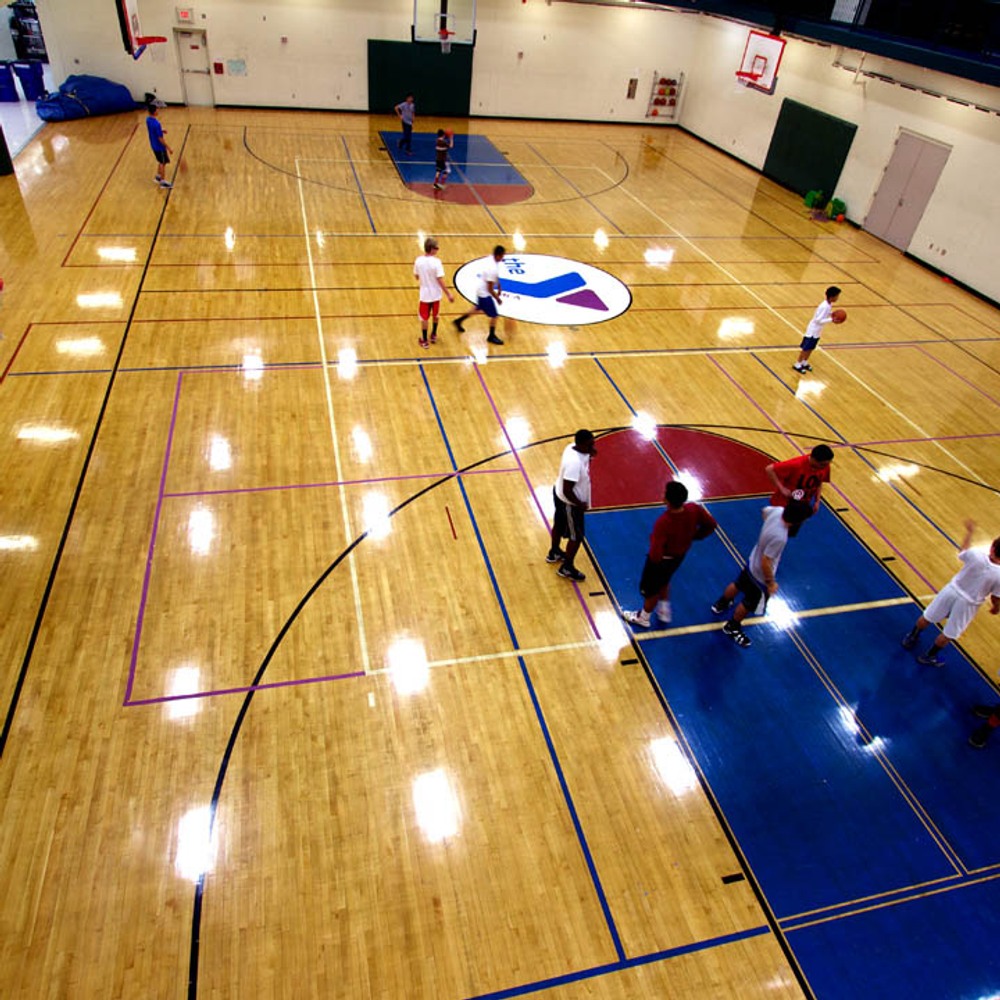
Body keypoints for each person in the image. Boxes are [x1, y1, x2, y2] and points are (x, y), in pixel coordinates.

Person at [711, 500, 812, 648]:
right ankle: (732, 627)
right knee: (748, 604)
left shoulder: (777, 510)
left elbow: (764, 511)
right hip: (759, 576)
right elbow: (766, 561)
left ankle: (721, 604)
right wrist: (770, 582)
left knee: (738, 584)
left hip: (752, 561)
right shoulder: (780, 537)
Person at [901, 520, 1000, 667]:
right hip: (968, 603)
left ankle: (911, 637)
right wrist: (996, 608)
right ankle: (929, 656)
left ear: (992, 547)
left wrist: (969, 533)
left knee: (928, 616)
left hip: (951, 590)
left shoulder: (976, 554)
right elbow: (995, 596)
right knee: (950, 632)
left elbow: (962, 552)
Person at [622, 481, 717, 628]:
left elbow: (655, 552)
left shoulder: (664, 522)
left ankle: (644, 617)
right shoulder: (694, 509)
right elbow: (711, 524)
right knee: (665, 579)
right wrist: (696, 536)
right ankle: (664, 610)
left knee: (651, 589)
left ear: (666, 499)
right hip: (679, 556)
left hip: (662, 560)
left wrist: (655, 563)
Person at [547, 429, 596, 583]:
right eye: (589, 444)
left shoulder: (571, 447)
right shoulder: (574, 463)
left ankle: (554, 552)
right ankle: (567, 567)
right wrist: (579, 504)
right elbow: (569, 489)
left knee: (559, 525)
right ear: (581, 444)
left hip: (559, 492)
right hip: (569, 503)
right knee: (577, 536)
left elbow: (586, 455)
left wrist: (590, 452)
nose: (592, 446)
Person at [764, 444, 834, 536]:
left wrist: (817, 501)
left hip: (801, 505)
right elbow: (769, 469)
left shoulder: (824, 466)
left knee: (789, 533)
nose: (825, 466)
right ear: (813, 459)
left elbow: (819, 482)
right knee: (775, 532)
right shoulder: (796, 464)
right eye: (822, 464)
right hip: (784, 504)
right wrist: (782, 488)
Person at [453, 245, 505, 346]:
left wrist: (499, 286)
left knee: (477, 309)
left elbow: (495, 277)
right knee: (494, 315)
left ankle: (459, 321)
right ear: (498, 255)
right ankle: (491, 336)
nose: (503, 258)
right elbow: (490, 289)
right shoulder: (492, 268)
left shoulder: (492, 260)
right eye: (502, 256)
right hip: (484, 294)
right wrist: (497, 298)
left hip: (480, 289)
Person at [413, 237, 454, 348]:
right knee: (436, 315)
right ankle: (434, 334)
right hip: (436, 294)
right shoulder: (437, 262)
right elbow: (440, 279)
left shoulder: (418, 261)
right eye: (436, 248)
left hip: (425, 295)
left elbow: (416, 276)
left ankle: (425, 341)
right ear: (431, 249)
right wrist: (448, 293)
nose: (438, 249)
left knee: (424, 318)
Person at [794, 286, 841, 373]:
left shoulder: (828, 305)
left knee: (811, 348)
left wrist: (832, 314)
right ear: (832, 297)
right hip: (812, 330)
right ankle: (797, 363)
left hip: (817, 331)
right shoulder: (824, 306)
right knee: (806, 348)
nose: (838, 298)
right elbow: (818, 320)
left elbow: (825, 314)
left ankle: (804, 362)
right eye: (837, 296)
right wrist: (831, 319)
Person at [145, 99, 173, 188]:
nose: (158, 110)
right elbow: (160, 138)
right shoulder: (157, 124)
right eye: (157, 109)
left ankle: (158, 177)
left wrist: (161, 130)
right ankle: (163, 182)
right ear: (154, 111)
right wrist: (168, 147)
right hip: (159, 147)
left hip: (153, 145)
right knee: (163, 163)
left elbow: (153, 131)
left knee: (160, 161)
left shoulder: (148, 120)